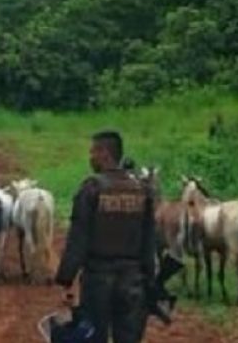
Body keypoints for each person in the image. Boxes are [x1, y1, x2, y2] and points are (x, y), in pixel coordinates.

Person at [54, 131, 158, 343]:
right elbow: (149, 241)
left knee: (94, 337)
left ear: (104, 153)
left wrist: (66, 280)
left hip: (97, 280)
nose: (90, 156)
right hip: (133, 281)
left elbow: (78, 239)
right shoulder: (142, 191)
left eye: (93, 151)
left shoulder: (91, 188)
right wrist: (150, 278)